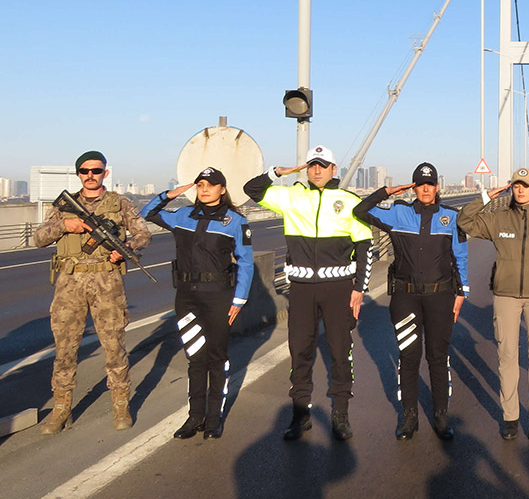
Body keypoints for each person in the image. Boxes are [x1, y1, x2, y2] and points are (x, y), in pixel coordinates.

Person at [243, 145, 373, 442]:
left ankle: (341, 414)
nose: (316, 170)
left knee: (340, 352)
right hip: (301, 290)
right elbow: (252, 189)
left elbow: (365, 246)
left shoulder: (349, 201)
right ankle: (300, 415)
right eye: (312, 165)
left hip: (338, 288)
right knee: (300, 351)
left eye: (322, 165)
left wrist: (360, 288)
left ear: (333, 169)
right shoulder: (291, 196)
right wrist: (278, 172)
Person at [34, 150, 152, 434]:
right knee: (65, 349)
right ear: (78, 174)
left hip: (107, 282)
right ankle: (61, 409)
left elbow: (143, 234)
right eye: (85, 171)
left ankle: (121, 405)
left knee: (114, 347)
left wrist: (126, 250)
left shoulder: (119, 204)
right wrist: (65, 225)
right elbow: (38, 238)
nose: (90, 175)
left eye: (96, 171)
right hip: (69, 283)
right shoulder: (64, 207)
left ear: (105, 173)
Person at [352, 162, 469, 441]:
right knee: (408, 357)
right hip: (406, 298)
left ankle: (441, 416)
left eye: (430, 184)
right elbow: (360, 210)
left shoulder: (451, 217)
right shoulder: (397, 213)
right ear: (414, 187)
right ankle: (409, 417)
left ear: (437, 187)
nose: (426, 189)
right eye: (420, 184)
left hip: (440, 297)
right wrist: (387, 191)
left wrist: (462, 291)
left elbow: (461, 256)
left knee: (438, 357)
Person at [457, 168, 529, 442]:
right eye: (516, 185)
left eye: (525, 186)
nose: (520, 190)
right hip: (505, 296)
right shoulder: (498, 219)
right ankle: (510, 417)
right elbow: (464, 221)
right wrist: (486, 197)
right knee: (507, 356)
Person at [141, 167, 254, 439]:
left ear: (222, 190)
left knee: (216, 358)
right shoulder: (182, 216)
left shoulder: (235, 221)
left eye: (211, 185)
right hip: (187, 298)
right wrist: (169, 195)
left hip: (218, 297)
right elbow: (147, 213)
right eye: (200, 185)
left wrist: (239, 299)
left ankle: (213, 418)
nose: (204, 190)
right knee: (195, 357)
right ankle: (194, 417)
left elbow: (246, 262)